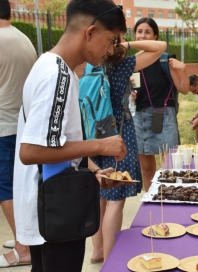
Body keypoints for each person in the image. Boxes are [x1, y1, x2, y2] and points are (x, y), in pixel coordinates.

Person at [13, 1, 130, 271]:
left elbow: (57, 141)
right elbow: (30, 151)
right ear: (90, 32)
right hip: (54, 211)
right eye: (111, 40)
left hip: (52, 206)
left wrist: (93, 170)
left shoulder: (52, 67)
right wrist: (101, 144)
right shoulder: (56, 75)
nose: (112, 50)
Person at [89, 38, 166, 262]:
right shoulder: (122, 64)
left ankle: (97, 251)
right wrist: (128, 43)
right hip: (118, 133)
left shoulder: (89, 63)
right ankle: (111, 260)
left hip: (92, 132)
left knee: (100, 194)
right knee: (115, 197)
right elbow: (160, 47)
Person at [133, 17, 189, 192]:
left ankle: (170, 200)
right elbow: (133, 91)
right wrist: (131, 95)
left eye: (147, 31)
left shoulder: (165, 60)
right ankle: (151, 202)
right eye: (139, 31)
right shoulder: (131, 62)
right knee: (147, 168)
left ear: (155, 36)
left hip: (164, 117)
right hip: (140, 117)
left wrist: (183, 69)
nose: (143, 35)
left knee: (169, 167)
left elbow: (184, 89)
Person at [0, 0, 36, 267]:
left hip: (3, 127)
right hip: (23, 124)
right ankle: (25, 237)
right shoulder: (24, 38)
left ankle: (23, 248)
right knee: (23, 186)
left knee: (6, 190)